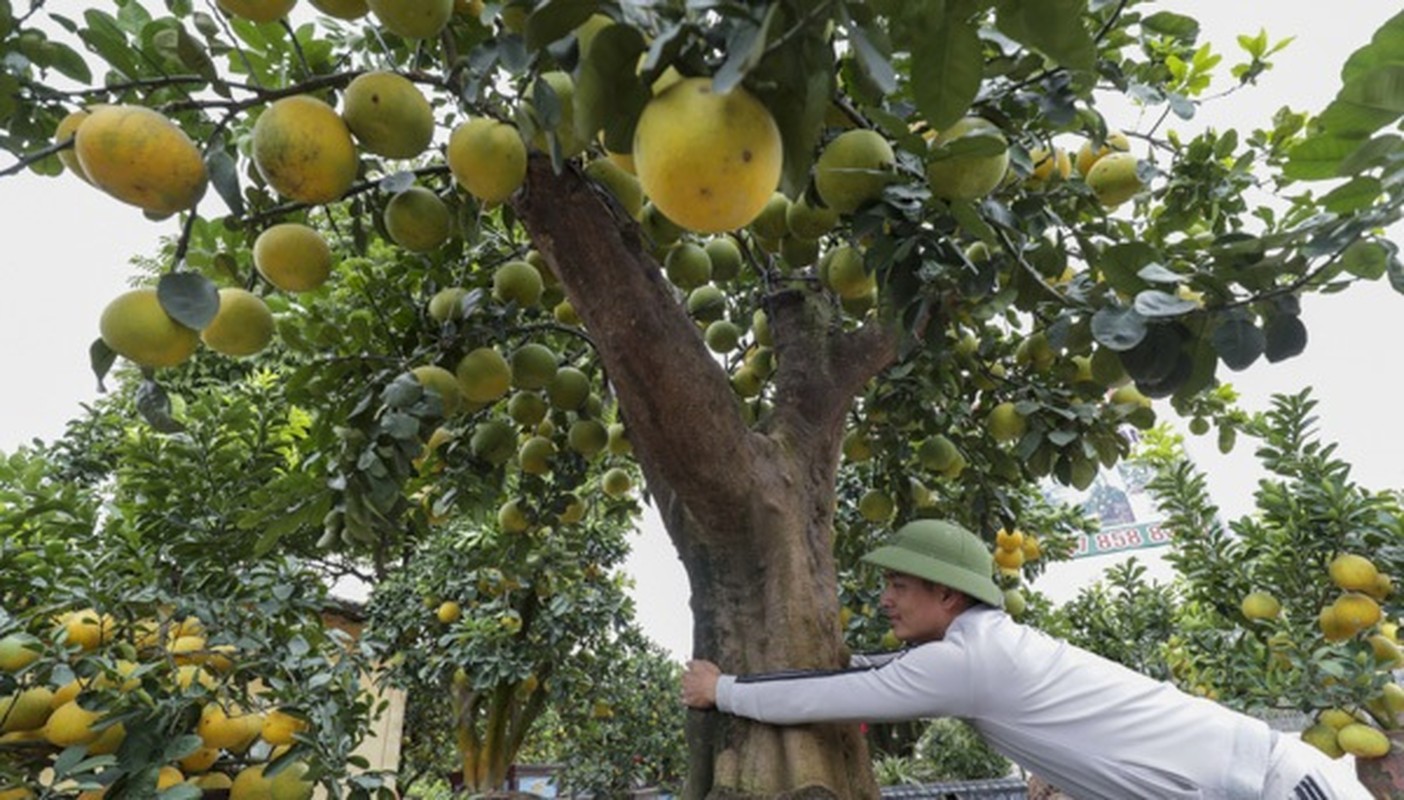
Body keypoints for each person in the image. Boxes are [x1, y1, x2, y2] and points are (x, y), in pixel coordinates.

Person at [681, 519, 1372, 800]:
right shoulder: (983, 646)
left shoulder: (967, 662)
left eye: (898, 586)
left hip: (1272, 784)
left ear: (946, 593)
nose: (885, 600)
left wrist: (725, 688)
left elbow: (828, 696)